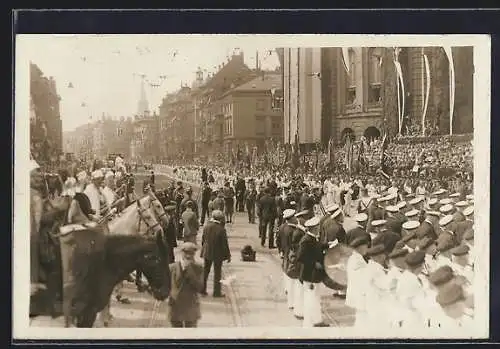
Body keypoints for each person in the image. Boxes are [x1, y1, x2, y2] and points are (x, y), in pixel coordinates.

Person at [167, 242, 204, 328]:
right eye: (186, 252)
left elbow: (199, 287)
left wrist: (190, 271)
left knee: (190, 337)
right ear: (181, 253)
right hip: (175, 307)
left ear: (194, 254)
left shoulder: (198, 268)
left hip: (191, 308)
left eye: (191, 253)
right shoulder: (172, 268)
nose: (188, 255)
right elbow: (168, 285)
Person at [200, 210, 231, 297]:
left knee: (205, 271)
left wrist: (204, 248)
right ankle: (216, 292)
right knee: (217, 273)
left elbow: (203, 240)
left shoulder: (206, 227)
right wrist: (228, 255)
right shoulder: (221, 229)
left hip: (207, 251)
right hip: (218, 253)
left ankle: (202, 289)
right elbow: (224, 244)